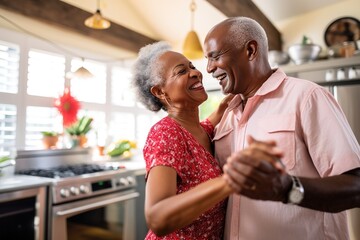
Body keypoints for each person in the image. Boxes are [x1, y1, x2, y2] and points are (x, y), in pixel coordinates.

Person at [203, 17, 360, 240]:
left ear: (250, 50)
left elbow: (355, 186)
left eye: (215, 56)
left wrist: (289, 188)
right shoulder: (227, 115)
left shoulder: (306, 97)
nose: (209, 68)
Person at [131, 41, 283, 239]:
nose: (195, 73)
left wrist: (224, 106)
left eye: (192, 67)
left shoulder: (202, 130)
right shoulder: (165, 133)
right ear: (160, 92)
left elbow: (208, 123)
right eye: (181, 71)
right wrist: (231, 180)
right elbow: (157, 218)